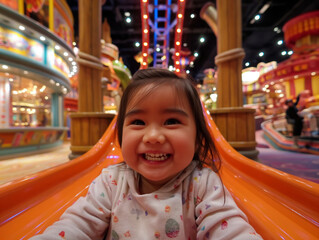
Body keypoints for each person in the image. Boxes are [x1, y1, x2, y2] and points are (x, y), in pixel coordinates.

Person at [30, 68, 262, 239]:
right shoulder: (112, 182)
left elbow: (229, 228)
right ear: (120, 134)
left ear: (198, 136)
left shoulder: (201, 184)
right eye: (138, 122)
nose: (153, 136)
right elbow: (76, 225)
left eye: (171, 121)